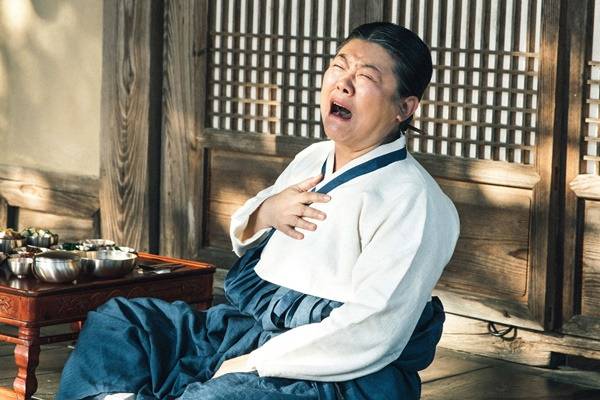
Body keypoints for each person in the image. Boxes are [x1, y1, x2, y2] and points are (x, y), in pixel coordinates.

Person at [57, 22, 459, 400]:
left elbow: (374, 330)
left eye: (366, 76)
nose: (343, 82)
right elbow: (243, 230)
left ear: (404, 107)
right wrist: (267, 212)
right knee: (119, 322)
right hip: (245, 329)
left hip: (332, 367)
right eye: (339, 66)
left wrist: (255, 362)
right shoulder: (314, 156)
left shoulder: (415, 200)